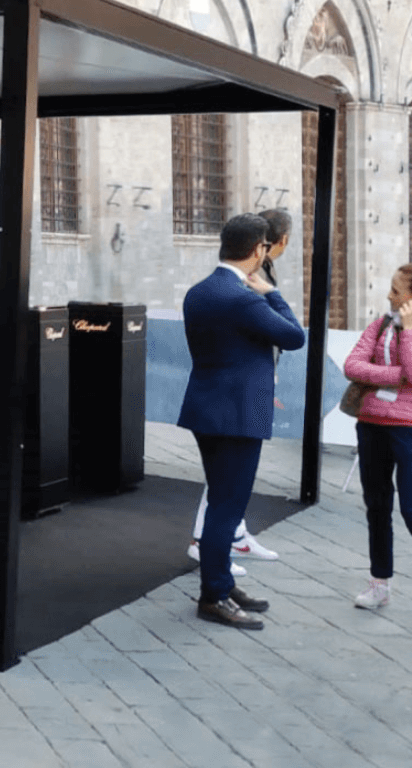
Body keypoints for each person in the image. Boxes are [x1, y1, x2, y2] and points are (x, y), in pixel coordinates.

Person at [178, 213, 305, 629]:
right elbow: (294, 336)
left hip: (206, 408)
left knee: (221, 500)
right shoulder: (244, 298)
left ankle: (223, 582)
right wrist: (273, 293)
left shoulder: (199, 292)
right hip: (238, 414)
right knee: (227, 508)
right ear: (257, 250)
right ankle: (214, 595)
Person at [343, 264, 412, 610]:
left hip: (407, 428)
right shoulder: (380, 324)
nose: (389, 296)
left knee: (411, 508)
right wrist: (396, 376)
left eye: (396, 291)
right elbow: (352, 366)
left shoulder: (403, 328)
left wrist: (409, 331)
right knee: (377, 505)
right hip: (371, 423)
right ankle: (379, 583)